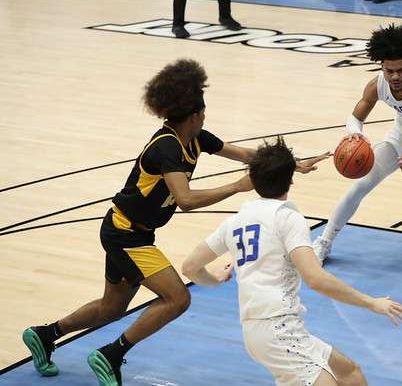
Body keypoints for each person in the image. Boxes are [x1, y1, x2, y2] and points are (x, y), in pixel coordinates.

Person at [20, 59, 328, 385]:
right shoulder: (166, 148)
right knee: (178, 298)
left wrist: (293, 164)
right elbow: (186, 200)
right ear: (194, 115)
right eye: (203, 112)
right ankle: (111, 355)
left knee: (112, 307)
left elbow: (246, 155)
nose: (205, 116)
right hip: (126, 235)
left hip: (131, 231)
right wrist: (237, 186)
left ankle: (45, 335)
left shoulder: (196, 138)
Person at [182, 138, 402, 385]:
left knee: (350, 373)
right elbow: (316, 279)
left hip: (264, 330)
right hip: (277, 330)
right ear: (290, 181)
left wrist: (214, 279)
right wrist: (372, 303)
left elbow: (190, 268)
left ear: (252, 181)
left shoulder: (233, 222)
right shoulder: (287, 218)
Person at [313, 24, 402, 263]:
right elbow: (355, 117)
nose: (395, 77)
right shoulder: (377, 84)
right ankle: (324, 242)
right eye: (389, 71)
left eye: (401, 70)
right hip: (400, 137)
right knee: (360, 185)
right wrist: (355, 134)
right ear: (381, 66)